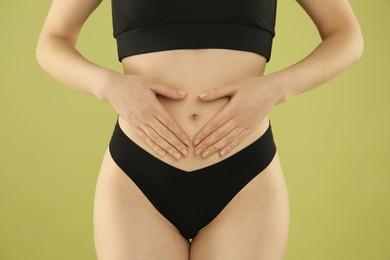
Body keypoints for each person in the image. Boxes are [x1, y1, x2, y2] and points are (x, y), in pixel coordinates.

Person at [36, 0, 363, 259]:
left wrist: (277, 88)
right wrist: (108, 86)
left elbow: (347, 35)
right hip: (138, 174)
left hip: (244, 175)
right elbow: (52, 41)